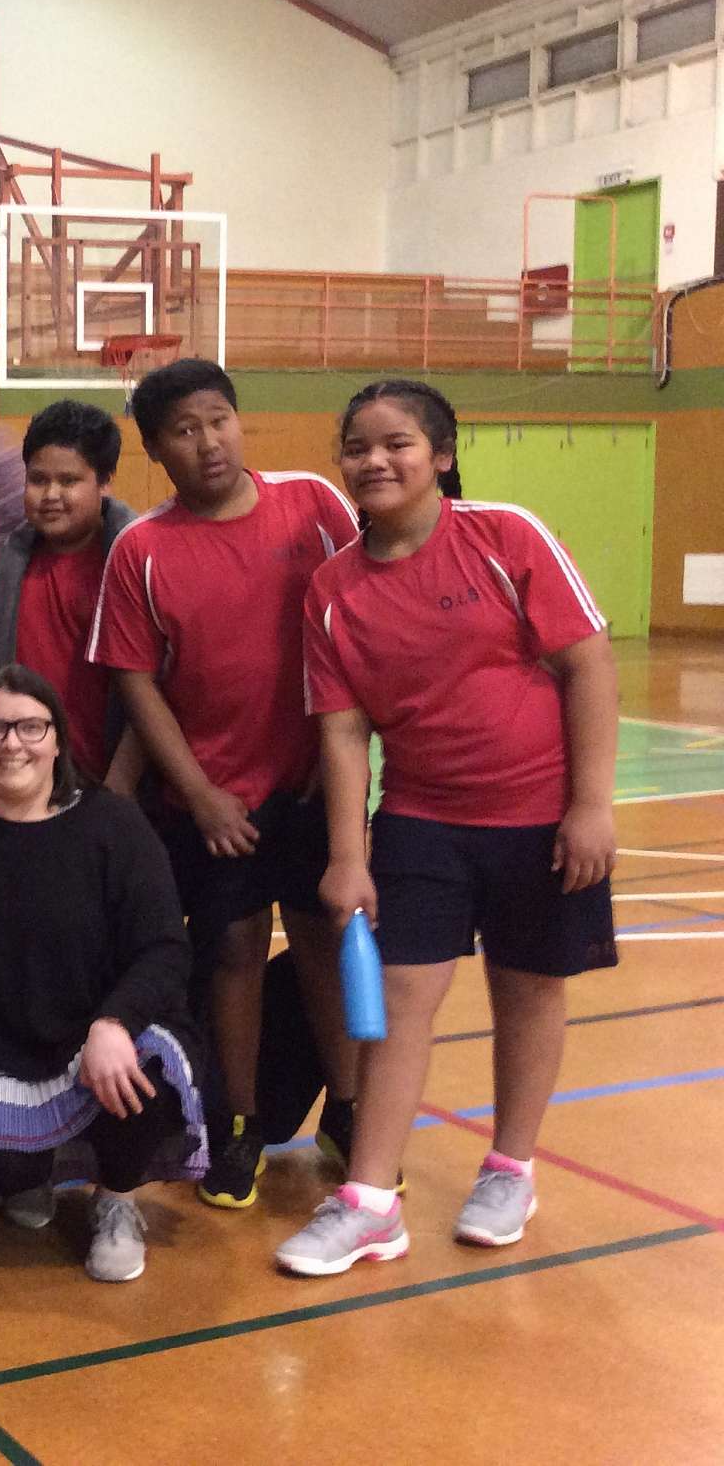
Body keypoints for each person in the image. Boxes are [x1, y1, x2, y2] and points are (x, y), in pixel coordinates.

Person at [276, 380, 617, 1276]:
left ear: (443, 455)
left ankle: (510, 1170)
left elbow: (588, 664)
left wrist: (591, 805)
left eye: (397, 443)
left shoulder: (505, 536)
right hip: (421, 819)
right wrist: (347, 857)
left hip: (539, 818)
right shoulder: (332, 589)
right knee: (398, 1002)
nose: (375, 460)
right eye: (357, 446)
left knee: (529, 989)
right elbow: (342, 731)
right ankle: (371, 1201)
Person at [86, 359, 360, 1210]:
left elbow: (363, 617)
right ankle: (238, 1122)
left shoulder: (314, 505)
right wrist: (199, 794)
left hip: (311, 787)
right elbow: (137, 684)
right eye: (184, 431)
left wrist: (338, 761)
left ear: (240, 422)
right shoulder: (142, 549)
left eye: (218, 421)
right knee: (233, 954)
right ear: (155, 451)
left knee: (323, 945)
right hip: (213, 802)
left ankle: (350, 1108)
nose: (207, 442)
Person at [0, 666, 206, 1282]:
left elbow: (165, 949)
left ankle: (117, 1199)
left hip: (95, 1038)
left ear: (59, 740)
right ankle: (28, 1172)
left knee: (142, 1084)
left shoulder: (113, 825)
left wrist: (113, 1022)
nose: (11, 743)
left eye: (30, 727)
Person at [0, 400, 140, 786]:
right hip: (21, 776)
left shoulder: (133, 563)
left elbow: (157, 688)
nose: (50, 494)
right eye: (38, 480)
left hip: (108, 782)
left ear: (104, 482)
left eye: (68, 481)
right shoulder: (3, 566)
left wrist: (120, 785)